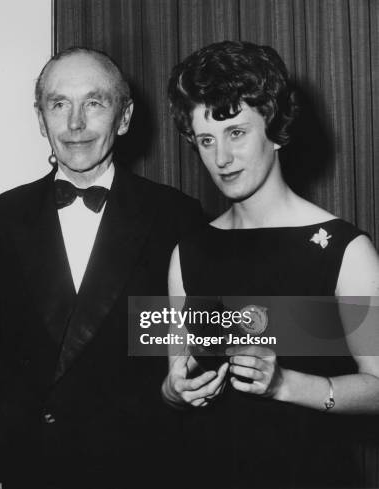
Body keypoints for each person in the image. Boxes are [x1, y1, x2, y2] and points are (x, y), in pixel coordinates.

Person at [0, 47, 204, 488]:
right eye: (59, 105)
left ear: (124, 117)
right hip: (31, 468)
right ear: (41, 120)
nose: (75, 123)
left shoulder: (177, 215)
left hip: (142, 468)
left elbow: (189, 342)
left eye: (94, 103)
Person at [162, 40, 379, 488]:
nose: (220, 158)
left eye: (236, 132)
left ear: (277, 130)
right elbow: (174, 379)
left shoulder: (344, 249)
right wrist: (175, 391)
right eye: (206, 139)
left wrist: (284, 384)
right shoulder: (188, 253)